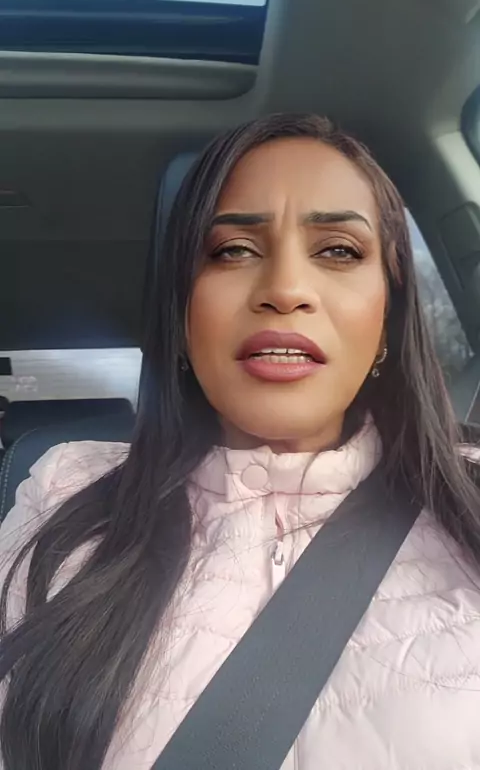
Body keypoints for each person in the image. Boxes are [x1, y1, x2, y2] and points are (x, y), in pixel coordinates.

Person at [0, 113, 479, 770]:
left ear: (388, 316)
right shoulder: (64, 495)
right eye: (232, 250)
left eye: (339, 250)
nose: (285, 289)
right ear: (181, 313)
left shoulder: (469, 500)